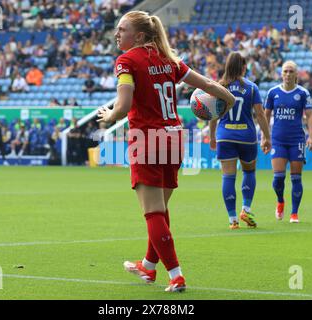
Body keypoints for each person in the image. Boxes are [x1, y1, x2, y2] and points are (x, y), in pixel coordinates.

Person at [97, 11, 235, 292]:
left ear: (139, 36)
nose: (117, 34)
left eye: (122, 30)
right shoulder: (168, 59)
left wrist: (108, 115)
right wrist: (229, 99)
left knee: (153, 213)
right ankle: (148, 267)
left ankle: (176, 275)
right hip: (173, 138)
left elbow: (122, 107)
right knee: (159, 210)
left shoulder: (126, 61)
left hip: (147, 138)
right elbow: (208, 85)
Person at [209, 52, 271, 230]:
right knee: (249, 173)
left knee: (228, 176)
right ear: (243, 67)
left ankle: (232, 219)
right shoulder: (252, 87)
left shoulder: (219, 86)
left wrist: (213, 136)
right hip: (246, 136)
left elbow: (213, 115)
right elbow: (260, 114)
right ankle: (246, 208)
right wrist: (267, 137)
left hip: (225, 136)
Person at [264, 61, 312, 223]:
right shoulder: (273, 93)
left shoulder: (303, 93)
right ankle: (280, 201)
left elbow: (310, 117)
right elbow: (265, 116)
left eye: (291, 71)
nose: (287, 74)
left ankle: (294, 213)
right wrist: (265, 137)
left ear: (296, 74)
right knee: (278, 177)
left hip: (296, 140)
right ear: (281, 74)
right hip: (278, 140)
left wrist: (311, 137)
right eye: (285, 71)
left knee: (296, 178)